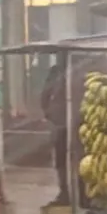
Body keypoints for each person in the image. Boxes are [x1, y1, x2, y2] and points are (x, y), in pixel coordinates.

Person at [40, 65, 69, 206]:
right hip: (64, 124)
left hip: (70, 123)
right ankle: (66, 193)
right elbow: (45, 96)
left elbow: (45, 96)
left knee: (64, 160)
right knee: (63, 160)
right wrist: (50, 114)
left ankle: (68, 193)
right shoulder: (57, 71)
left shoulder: (57, 70)